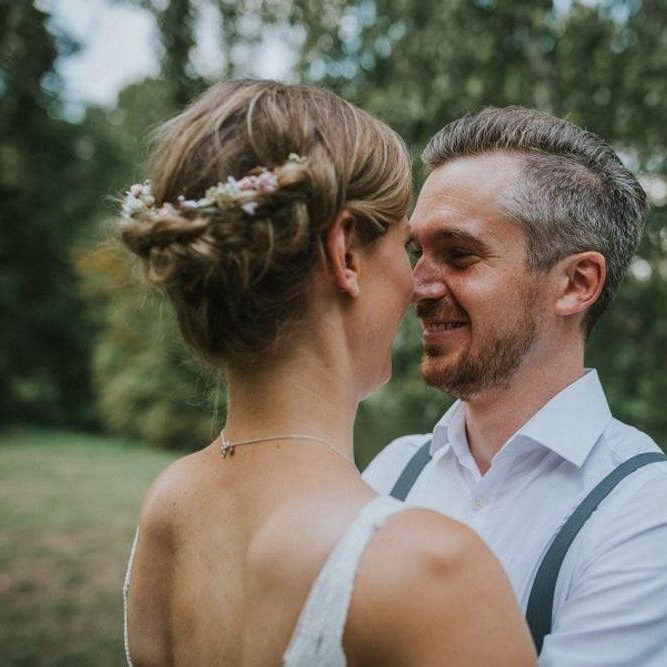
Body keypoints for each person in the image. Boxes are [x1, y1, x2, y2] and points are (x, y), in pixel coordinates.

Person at [119, 81, 536, 667]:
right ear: (344, 252)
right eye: (404, 246)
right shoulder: (429, 569)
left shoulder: (170, 508)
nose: (418, 286)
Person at [363, 107, 667, 666]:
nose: (417, 286)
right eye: (417, 252)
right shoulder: (392, 472)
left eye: (459, 255)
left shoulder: (657, 513)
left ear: (576, 283)